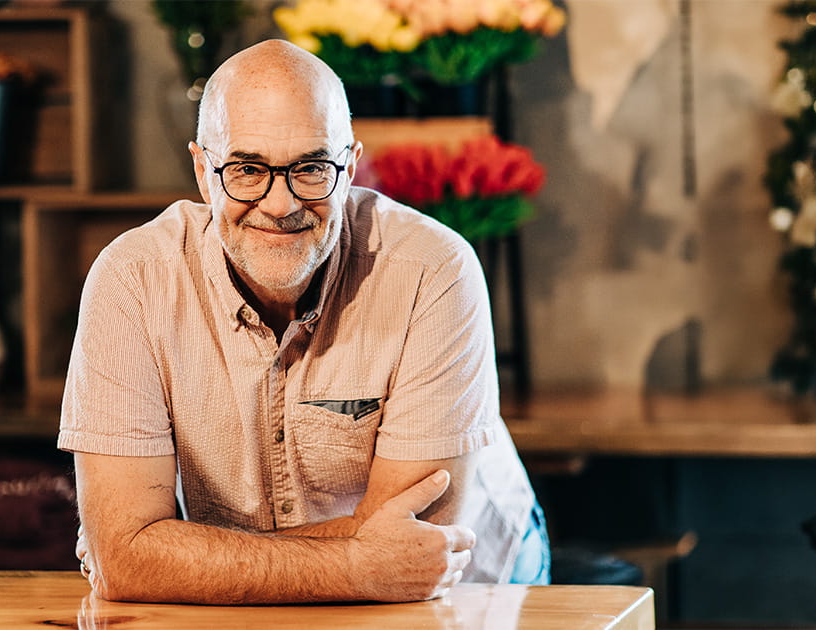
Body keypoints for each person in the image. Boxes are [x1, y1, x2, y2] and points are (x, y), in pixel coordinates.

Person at [58, 39, 548, 605]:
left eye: (312, 168)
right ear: (202, 170)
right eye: (246, 169)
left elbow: (415, 543)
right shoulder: (132, 280)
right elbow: (124, 558)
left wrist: (172, 555)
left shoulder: (432, 271)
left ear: (351, 166)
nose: (280, 204)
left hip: (469, 583)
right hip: (308, 594)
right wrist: (356, 564)